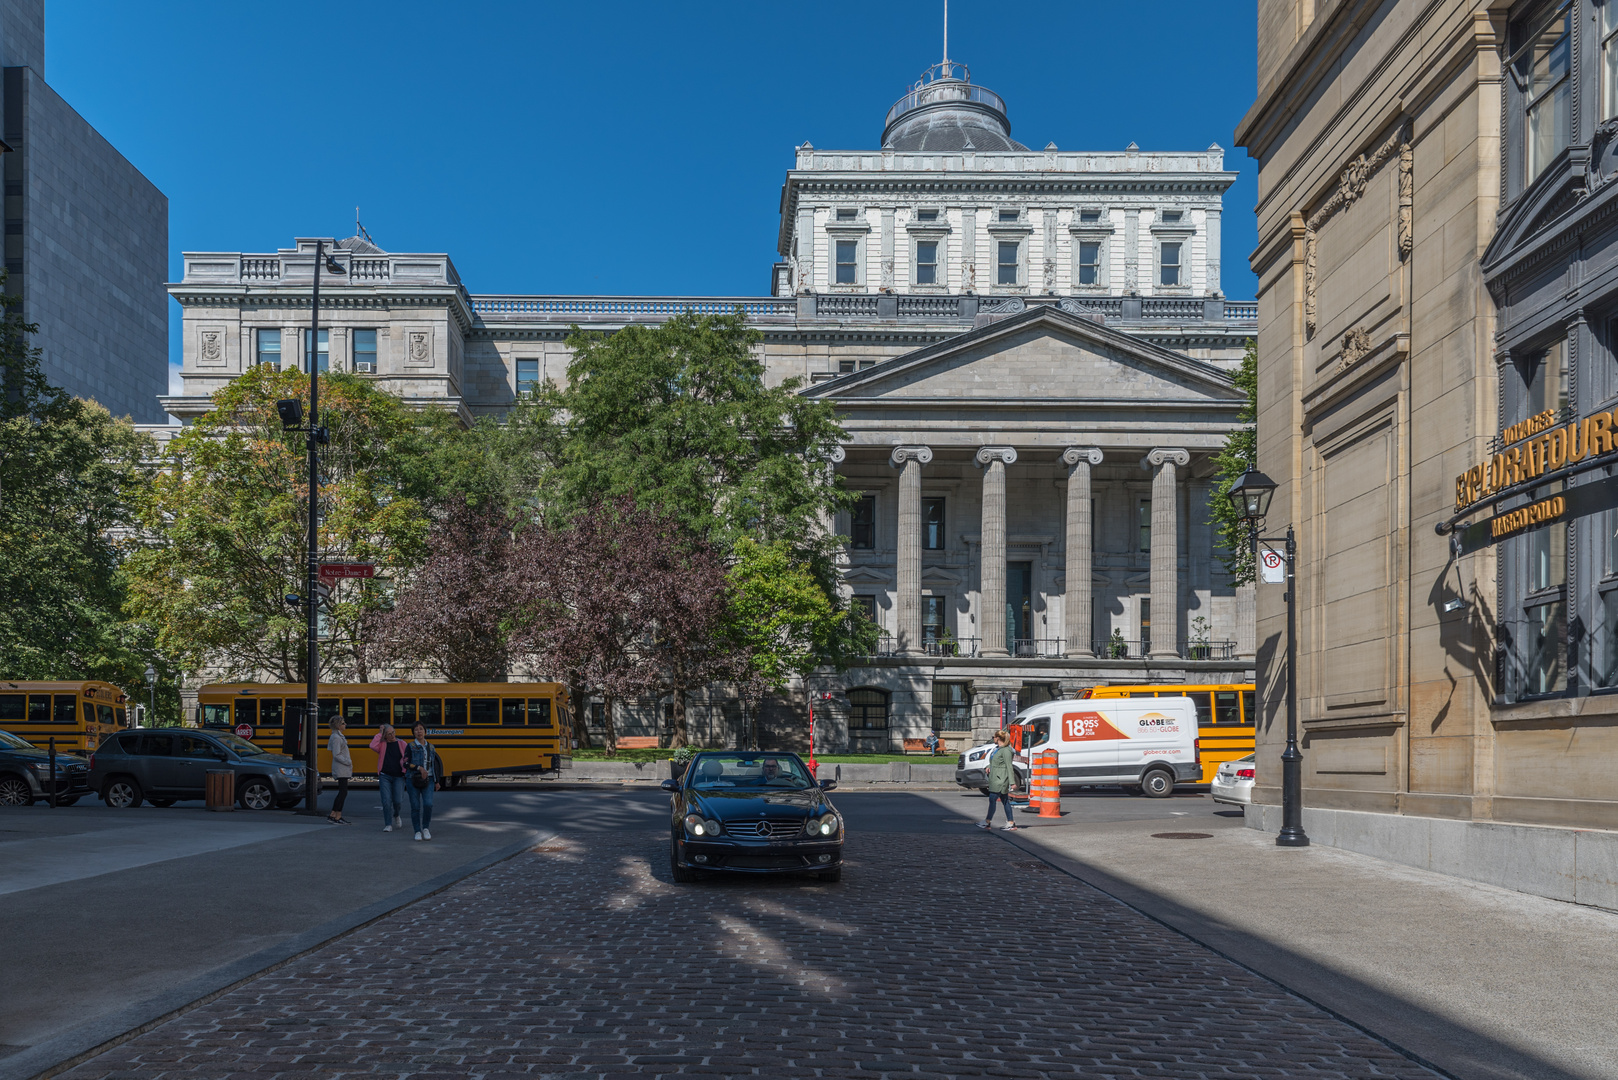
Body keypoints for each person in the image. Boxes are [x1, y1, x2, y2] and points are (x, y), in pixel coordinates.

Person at [977, 729, 1018, 831]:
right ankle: (1010, 822)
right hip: (995, 778)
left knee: (992, 799)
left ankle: (987, 822)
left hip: (1001, 779)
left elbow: (1009, 766)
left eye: (994, 737)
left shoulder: (1006, 751)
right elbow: (995, 762)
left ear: (998, 738)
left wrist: (1012, 782)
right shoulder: (998, 749)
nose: (993, 739)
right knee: (1004, 800)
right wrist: (989, 766)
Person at [404, 721, 437, 841]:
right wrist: (418, 768)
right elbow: (405, 763)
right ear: (413, 732)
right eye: (416, 730)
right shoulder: (410, 746)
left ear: (425, 731)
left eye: (421, 729)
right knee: (415, 806)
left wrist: (437, 781)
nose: (419, 732)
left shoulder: (431, 747)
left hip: (429, 778)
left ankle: (426, 828)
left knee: (428, 804)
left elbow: (434, 765)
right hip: (413, 779)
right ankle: (417, 830)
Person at [371, 723, 407, 832]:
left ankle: (396, 814)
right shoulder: (382, 744)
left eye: (393, 733)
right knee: (386, 801)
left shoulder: (402, 743)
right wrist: (380, 733)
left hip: (399, 776)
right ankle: (388, 824)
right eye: (389, 734)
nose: (392, 736)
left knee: (398, 801)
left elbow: (407, 757)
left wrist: (405, 768)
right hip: (385, 776)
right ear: (385, 736)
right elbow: (372, 745)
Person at [326, 715, 352, 824]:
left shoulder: (337, 736)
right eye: (343, 723)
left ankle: (334, 814)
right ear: (337, 725)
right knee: (343, 792)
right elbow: (336, 754)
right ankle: (337, 816)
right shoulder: (336, 738)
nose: (345, 725)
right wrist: (347, 761)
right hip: (341, 767)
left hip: (342, 767)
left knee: (343, 792)